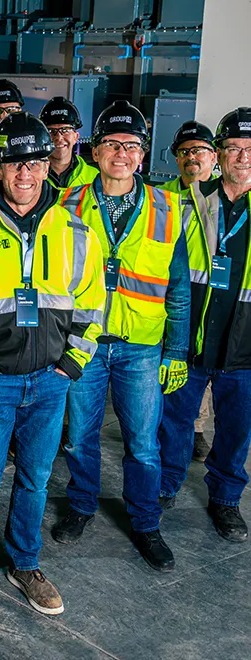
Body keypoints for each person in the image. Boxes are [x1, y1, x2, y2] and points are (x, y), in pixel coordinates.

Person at [0, 113, 104, 623]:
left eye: (34, 162)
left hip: (50, 381)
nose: (26, 174)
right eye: (15, 163)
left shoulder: (76, 231)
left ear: (47, 164)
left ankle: (25, 564)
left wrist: (71, 364)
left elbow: (92, 304)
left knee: (35, 479)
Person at [53, 101, 190, 572]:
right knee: (79, 437)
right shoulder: (67, 204)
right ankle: (83, 504)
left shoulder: (169, 208)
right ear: (95, 150)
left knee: (144, 442)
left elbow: (178, 289)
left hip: (140, 347)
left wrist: (175, 350)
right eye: (112, 143)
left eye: (131, 145)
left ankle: (146, 523)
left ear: (143, 153)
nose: (121, 153)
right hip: (84, 344)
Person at [158, 109, 251, 542]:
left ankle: (226, 499)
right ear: (219, 154)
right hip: (190, 339)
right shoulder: (192, 201)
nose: (242, 157)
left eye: (250, 150)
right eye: (233, 148)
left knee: (235, 429)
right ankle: (165, 486)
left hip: (245, 346)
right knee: (174, 421)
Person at [159, 121, 218, 463]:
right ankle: (166, 424)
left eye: (199, 151)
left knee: (202, 369)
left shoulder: (223, 198)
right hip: (168, 293)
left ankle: (196, 429)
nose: (191, 158)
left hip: (209, 295)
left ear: (214, 157)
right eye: (184, 152)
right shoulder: (161, 196)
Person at [40, 96, 98, 191]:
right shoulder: (31, 176)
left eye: (65, 130)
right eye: (51, 131)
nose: (59, 138)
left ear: (76, 137)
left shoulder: (95, 178)